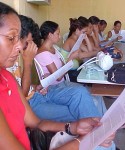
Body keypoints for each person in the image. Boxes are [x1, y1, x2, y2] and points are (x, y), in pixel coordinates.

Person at [0, 2, 115, 150]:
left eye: (19, 39)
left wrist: (73, 127)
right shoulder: (25, 62)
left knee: (82, 97)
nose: (20, 46)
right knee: (88, 120)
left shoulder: (7, 78)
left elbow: (37, 123)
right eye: (11, 38)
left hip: (39, 92)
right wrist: (83, 141)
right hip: (38, 97)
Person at [8, 15, 105, 123]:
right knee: (81, 108)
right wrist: (27, 62)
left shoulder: (15, 63)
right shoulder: (19, 60)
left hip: (39, 94)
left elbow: (20, 87)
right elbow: (22, 95)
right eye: (27, 43)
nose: (26, 48)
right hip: (43, 94)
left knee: (83, 102)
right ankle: (100, 132)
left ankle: (102, 131)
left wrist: (36, 86)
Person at [63, 18, 101, 82]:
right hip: (70, 73)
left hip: (76, 69)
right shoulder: (71, 41)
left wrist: (86, 38)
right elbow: (81, 55)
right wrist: (98, 52)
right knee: (94, 76)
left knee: (95, 72)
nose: (85, 33)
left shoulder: (77, 40)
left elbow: (89, 51)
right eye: (84, 32)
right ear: (77, 30)